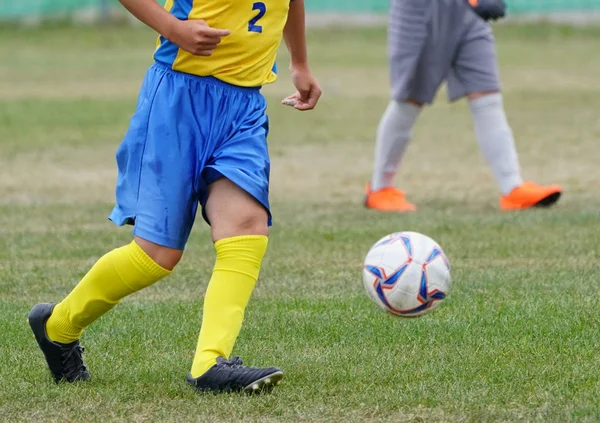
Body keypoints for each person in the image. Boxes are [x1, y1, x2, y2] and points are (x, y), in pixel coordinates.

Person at [28, 0, 321, 394]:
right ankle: (57, 326)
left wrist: (299, 62)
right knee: (155, 256)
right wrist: (173, 28)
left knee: (247, 226)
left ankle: (210, 363)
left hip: (244, 107)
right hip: (177, 99)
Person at [365, 0, 562, 212]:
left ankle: (512, 189)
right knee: (410, 99)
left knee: (487, 95)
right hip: (421, 9)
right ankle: (380, 189)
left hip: (467, 11)